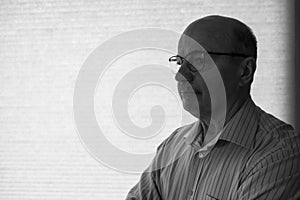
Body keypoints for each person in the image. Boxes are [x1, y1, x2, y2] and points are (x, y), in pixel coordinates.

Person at [125, 15, 300, 200]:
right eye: (180, 62)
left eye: (198, 60)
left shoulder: (280, 152)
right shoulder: (173, 146)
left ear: (245, 71)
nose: (181, 76)